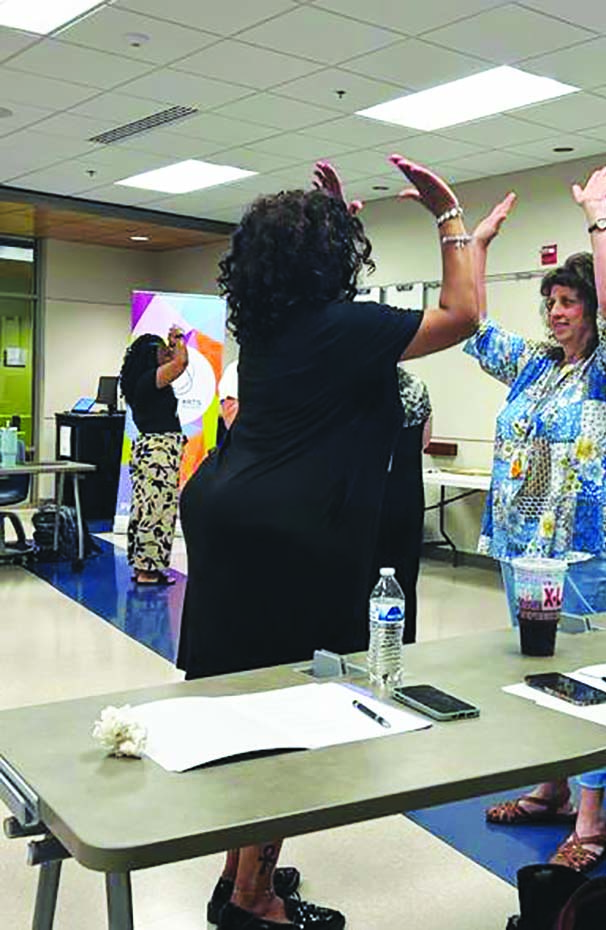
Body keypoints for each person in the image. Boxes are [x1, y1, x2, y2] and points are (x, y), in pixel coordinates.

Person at [177, 155, 477, 930]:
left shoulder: (274, 327)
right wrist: (449, 217)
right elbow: (463, 312)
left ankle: (235, 874)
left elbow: (337, 307)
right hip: (293, 535)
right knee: (289, 723)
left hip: (227, 513)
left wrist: (339, 223)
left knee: (248, 712)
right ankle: (253, 901)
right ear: (331, 264)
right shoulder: (345, 330)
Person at [466, 169, 606, 871]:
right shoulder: (534, 366)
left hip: (583, 549)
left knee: (588, 675)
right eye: (552, 302)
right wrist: (474, 243)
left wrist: (597, 215)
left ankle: (593, 823)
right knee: (538, 672)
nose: (558, 312)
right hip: (521, 547)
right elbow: (471, 324)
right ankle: (552, 788)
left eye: (570, 301)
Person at [118, 326, 187, 585]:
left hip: (151, 450)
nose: (166, 352)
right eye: (161, 350)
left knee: (146, 509)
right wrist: (179, 340)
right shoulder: (150, 379)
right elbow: (181, 362)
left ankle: (143, 567)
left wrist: (170, 345)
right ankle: (149, 571)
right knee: (157, 511)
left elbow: (175, 360)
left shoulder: (141, 380)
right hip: (159, 452)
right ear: (151, 355)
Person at [370, 367, 431, 643]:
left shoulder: (347, 380)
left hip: (361, 500)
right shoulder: (415, 386)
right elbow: (424, 441)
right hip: (405, 495)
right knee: (403, 582)